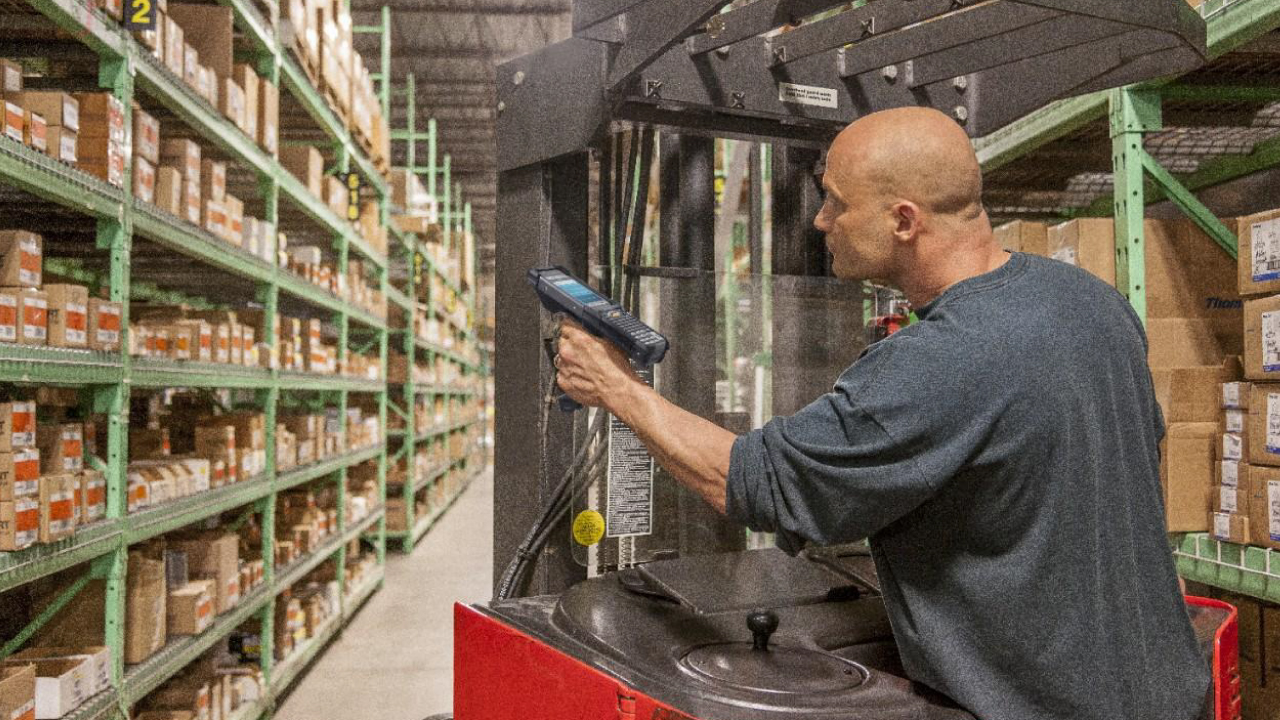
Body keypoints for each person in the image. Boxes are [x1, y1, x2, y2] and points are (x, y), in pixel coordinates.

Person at [551, 107, 1209, 720]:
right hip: (1171, 693)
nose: (819, 220)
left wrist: (616, 387)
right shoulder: (1089, 302)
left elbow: (750, 479)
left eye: (836, 201)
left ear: (903, 220)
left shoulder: (940, 359)